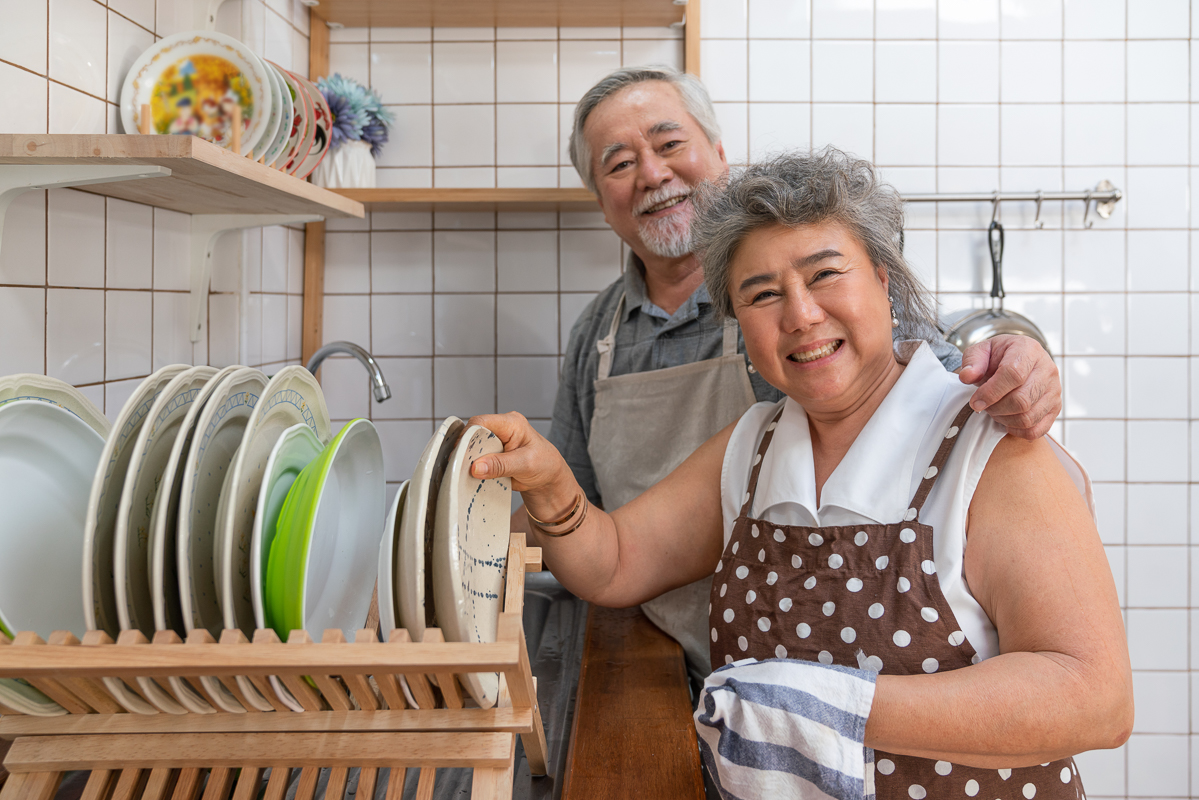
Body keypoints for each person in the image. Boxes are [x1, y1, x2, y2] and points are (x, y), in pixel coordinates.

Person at [477, 149, 1131, 798]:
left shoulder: (988, 446)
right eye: (761, 294)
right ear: (738, 325)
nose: (800, 315)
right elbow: (612, 563)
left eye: (823, 275)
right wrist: (552, 489)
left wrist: (823, 708)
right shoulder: (752, 450)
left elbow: (1093, 697)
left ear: (880, 278)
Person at [539, 66, 1064, 682]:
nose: (653, 173)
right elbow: (590, 522)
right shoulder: (596, 334)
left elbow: (937, 387)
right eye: (619, 163)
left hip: (793, 664)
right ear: (601, 202)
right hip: (657, 660)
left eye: (669, 143)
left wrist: (1019, 369)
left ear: (719, 156)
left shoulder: (810, 311)